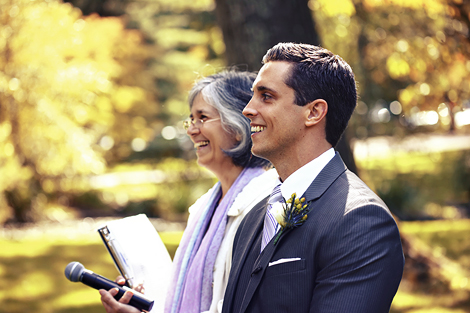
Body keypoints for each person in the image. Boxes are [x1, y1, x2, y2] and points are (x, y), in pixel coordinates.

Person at [221, 43, 405, 313]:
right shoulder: (253, 217)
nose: (248, 109)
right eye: (253, 96)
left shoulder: (361, 221)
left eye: (267, 96)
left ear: (314, 112)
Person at [99, 71, 277, 313]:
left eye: (202, 118)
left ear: (238, 125)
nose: (192, 130)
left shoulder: (267, 205)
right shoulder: (203, 207)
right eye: (191, 120)